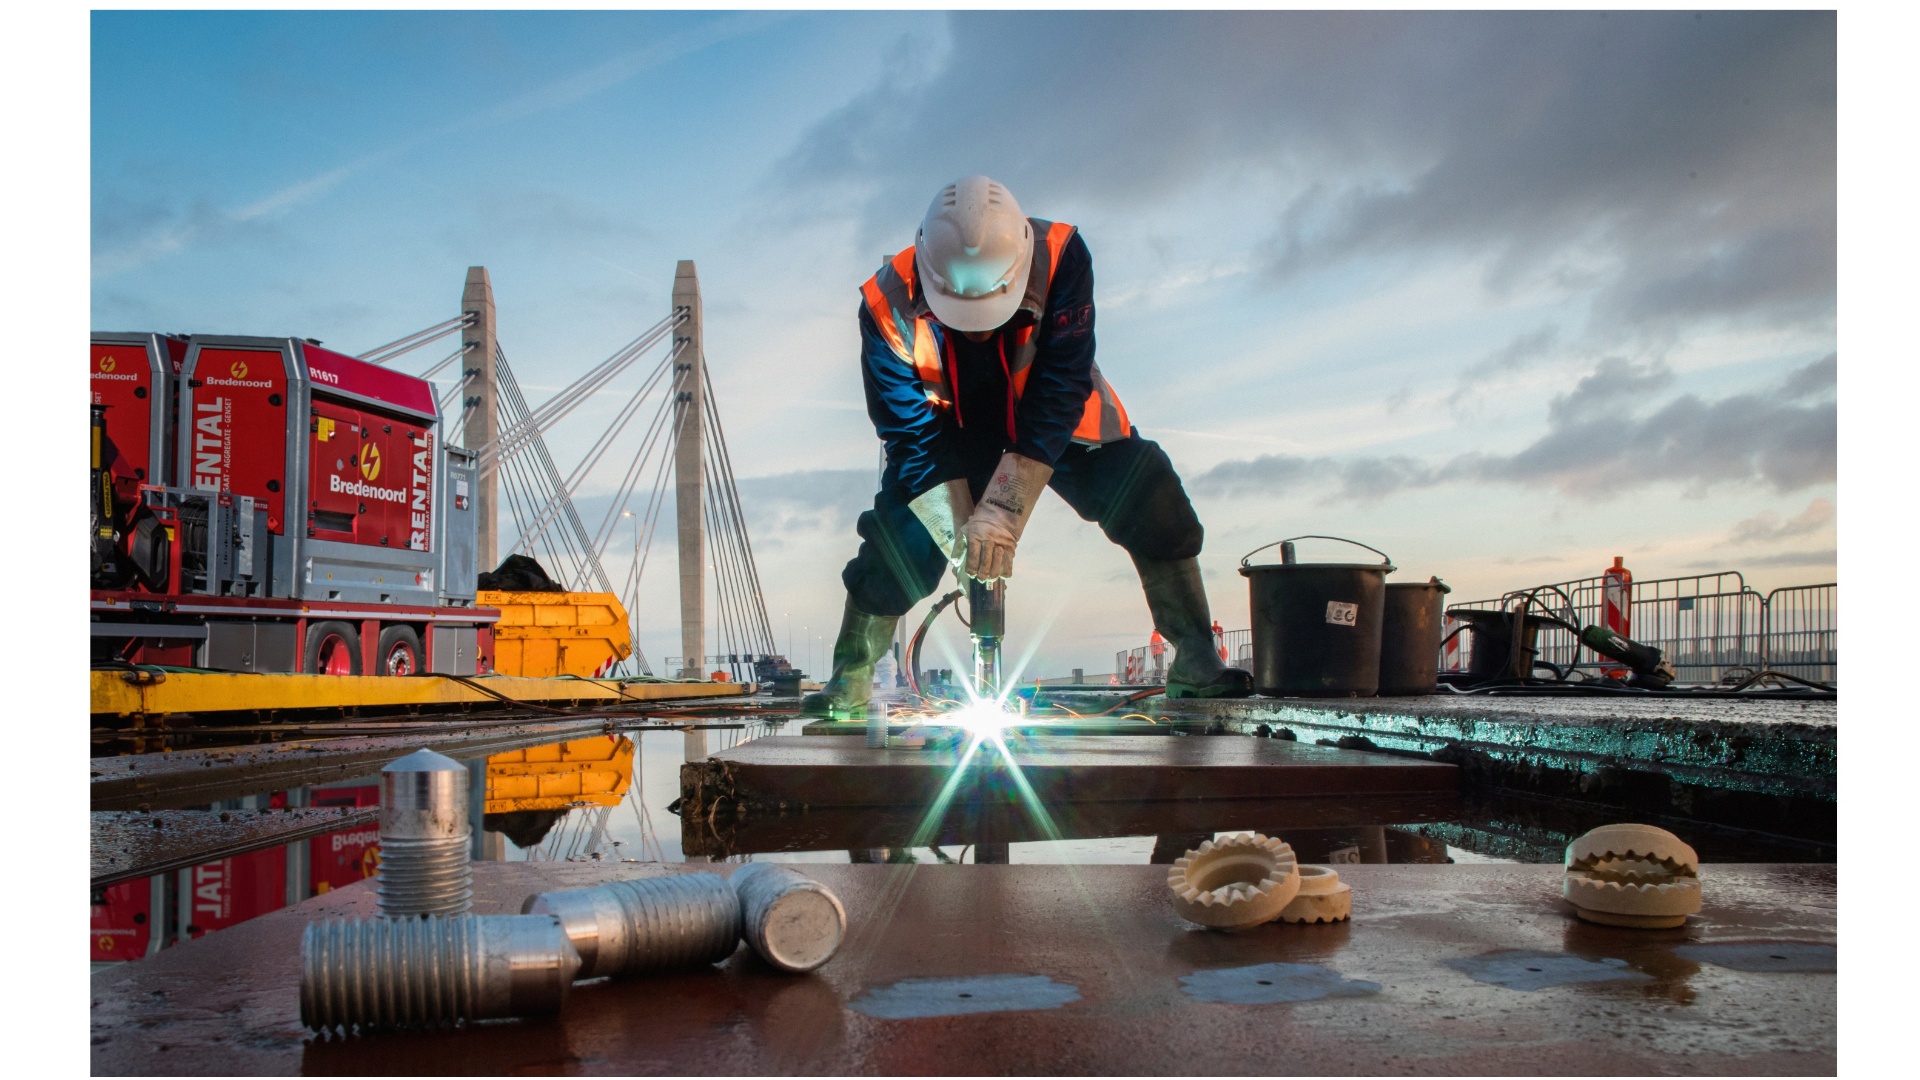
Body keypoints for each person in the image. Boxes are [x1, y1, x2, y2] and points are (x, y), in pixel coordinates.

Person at [801, 176, 1253, 718]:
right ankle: (850, 676)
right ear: (928, 276)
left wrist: (1004, 508)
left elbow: (1061, 384)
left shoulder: (1061, 257)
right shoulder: (884, 307)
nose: (974, 334)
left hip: (1048, 417)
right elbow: (907, 431)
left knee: (1147, 493)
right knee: (899, 543)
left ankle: (1196, 660)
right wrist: (957, 532)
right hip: (945, 436)